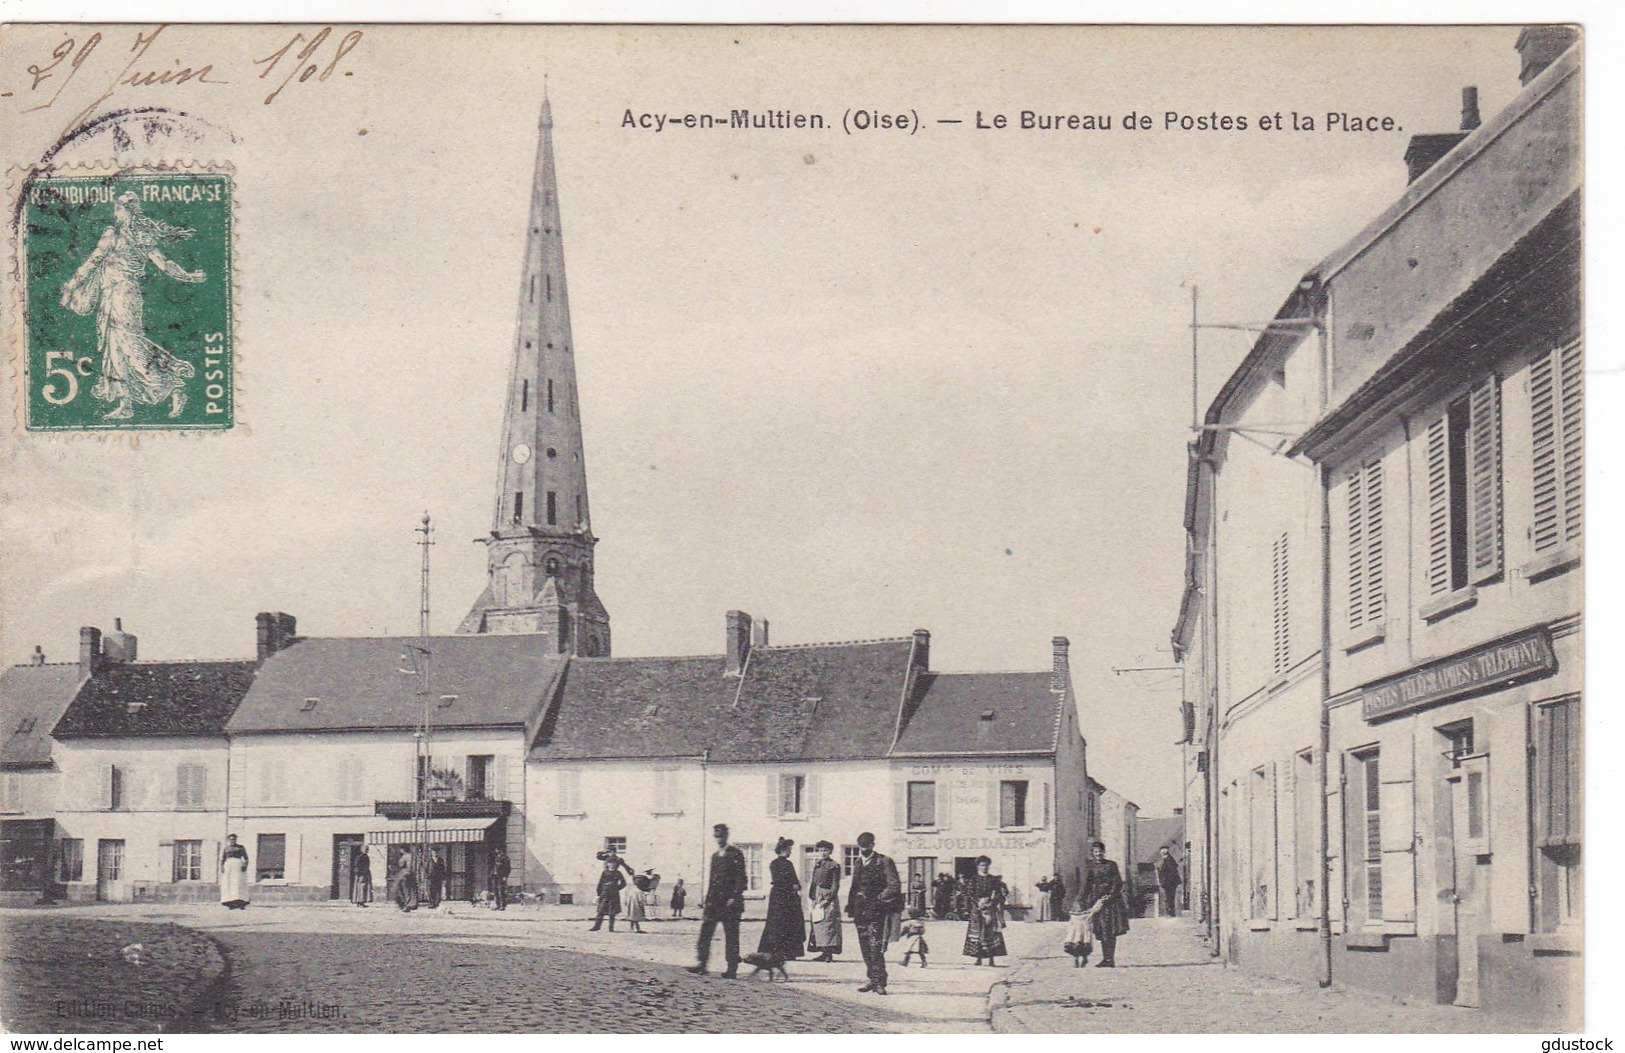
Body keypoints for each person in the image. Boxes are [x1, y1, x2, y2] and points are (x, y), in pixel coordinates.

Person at [58, 190, 202, 420]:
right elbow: (165, 264)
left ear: (124, 211)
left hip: (123, 295)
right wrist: (188, 276)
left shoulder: (114, 234)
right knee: (114, 347)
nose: (116, 212)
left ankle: (172, 383)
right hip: (114, 294)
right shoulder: (140, 235)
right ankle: (126, 404)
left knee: (129, 344)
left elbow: (93, 262)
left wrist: (71, 286)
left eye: (118, 208)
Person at [845, 831, 902, 995]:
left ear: (873, 845)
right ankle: (872, 978)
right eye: (861, 846)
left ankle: (879, 982)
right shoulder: (857, 863)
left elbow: (894, 886)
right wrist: (850, 906)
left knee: (875, 945)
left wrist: (878, 899)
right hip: (859, 910)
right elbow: (854, 886)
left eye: (867, 846)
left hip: (877, 910)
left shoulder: (883, 862)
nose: (864, 849)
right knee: (864, 945)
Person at [688, 824, 747, 978]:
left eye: (721, 835)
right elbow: (712, 880)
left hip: (730, 903)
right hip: (714, 902)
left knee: (732, 936)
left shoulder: (736, 854)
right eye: (716, 836)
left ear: (727, 835)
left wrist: (734, 897)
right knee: (705, 932)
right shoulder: (715, 856)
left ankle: (732, 968)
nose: (719, 838)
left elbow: (741, 878)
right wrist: (707, 901)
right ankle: (702, 964)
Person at [755, 836, 806, 963]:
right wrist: (791, 885)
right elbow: (778, 880)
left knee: (792, 923)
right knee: (777, 923)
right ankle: (775, 950)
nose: (790, 852)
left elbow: (795, 880)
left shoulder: (789, 864)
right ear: (783, 849)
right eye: (789, 849)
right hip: (779, 897)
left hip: (790, 898)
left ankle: (789, 951)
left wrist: (796, 885)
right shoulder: (774, 864)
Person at [1081, 840, 1131, 967]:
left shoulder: (1111, 865)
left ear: (1104, 852)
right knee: (1101, 930)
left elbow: (1117, 882)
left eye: (1100, 851)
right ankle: (1105, 958)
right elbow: (1087, 884)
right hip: (1097, 902)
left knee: (1110, 930)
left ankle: (1110, 959)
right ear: (1092, 853)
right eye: (1096, 852)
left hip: (1111, 902)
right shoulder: (1091, 867)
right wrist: (1081, 899)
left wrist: (1109, 896)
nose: (1098, 854)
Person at [960, 855, 1008, 966]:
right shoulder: (973, 879)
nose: (984, 868)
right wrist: (978, 903)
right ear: (978, 866)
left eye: (986, 865)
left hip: (990, 909)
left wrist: (992, 902)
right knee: (977, 933)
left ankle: (991, 959)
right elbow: (968, 894)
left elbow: (999, 893)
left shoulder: (993, 879)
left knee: (990, 933)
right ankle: (979, 958)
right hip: (977, 910)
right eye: (982, 865)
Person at [806, 840, 843, 962]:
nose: (822, 853)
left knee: (829, 925)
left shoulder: (834, 866)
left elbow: (835, 884)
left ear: (830, 851)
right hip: (817, 896)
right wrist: (812, 897)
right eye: (820, 850)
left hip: (828, 898)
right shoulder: (817, 864)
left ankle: (829, 954)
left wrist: (828, 899)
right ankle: (822, 952)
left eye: (825, 850)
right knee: (818, 924)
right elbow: (813, 882)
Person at [590, 855, 627, 931]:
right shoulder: (604, 873)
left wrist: (616, 888)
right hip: (604, 894)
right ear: (607, 864)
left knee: (612, 912)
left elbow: (623, 883)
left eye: (614, 863)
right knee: (601, 911)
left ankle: (611, 928)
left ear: (616, 865)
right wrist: (599, 893)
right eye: (610, 863)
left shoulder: (618, 873)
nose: (612, 865)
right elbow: (600, 883)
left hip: (614, 895)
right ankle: (596, 927)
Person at [1062, 895, 1096, 967]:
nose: (1079, 908)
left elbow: (1088, 926)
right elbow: (1070, 926)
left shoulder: (1087, 915)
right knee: (1074, 947)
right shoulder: (1073, 916)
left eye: (1080, 906)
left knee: (1083, 947)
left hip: (1083, 935)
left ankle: (1084, 958)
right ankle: (1076, 959)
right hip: (1074, 935)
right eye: (1077, 906)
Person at [219, 834, 250, 910]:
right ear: (228, 840)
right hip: (228, 866)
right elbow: (223, 859)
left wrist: (244, 865)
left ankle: (241, 903)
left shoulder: (240, 847)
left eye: (234, 839)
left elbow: (246, 858)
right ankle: (230, 903)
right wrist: (222, 867)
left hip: (237, 865)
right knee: (229, 883)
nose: (233, 840)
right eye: (231, 839)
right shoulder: (226, 848)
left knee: (238, 883)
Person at [1157, 846, 1183, 917]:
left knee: (1170, 897)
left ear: (1164, 853)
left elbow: (1172, 871)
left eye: (1162, 852)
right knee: (1169, 897)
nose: (1161, 854)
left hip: (1170, 883)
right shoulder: (1166, 859)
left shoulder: (1168, 860)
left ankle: (1171, 913)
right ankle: (1170, 912)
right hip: (1168, 882)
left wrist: (1167, 881)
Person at [393, 848, 420, 912]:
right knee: (410, 889)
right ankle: (412, 904)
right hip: (411, 874)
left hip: (404, 874)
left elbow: (401, 864)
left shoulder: (405, 856)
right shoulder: (412, 856)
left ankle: (406, 905)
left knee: (401, 889)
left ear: (402, 849)